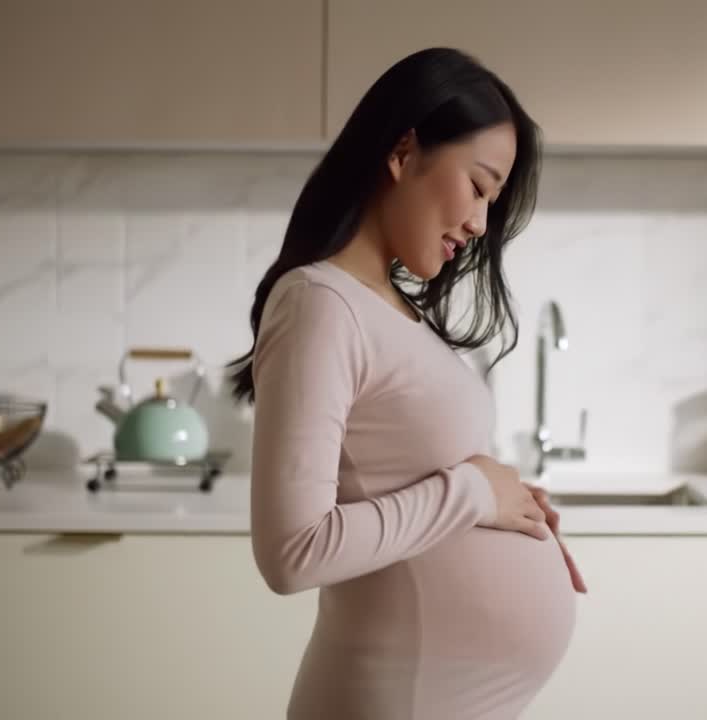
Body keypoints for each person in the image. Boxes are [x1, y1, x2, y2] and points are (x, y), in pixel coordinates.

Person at [227, 47, 586, 719]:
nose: (481, 223)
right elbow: (291, 553)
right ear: (403, 150)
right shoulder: (318, 303)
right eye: (478, 186)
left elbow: (408, 477)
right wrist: (473, 493)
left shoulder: (389, 309)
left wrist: (504, 497)